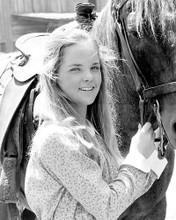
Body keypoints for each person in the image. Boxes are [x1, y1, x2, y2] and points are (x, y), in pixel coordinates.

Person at [24, 27, 167, 220]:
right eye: (76, 69)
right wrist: (137, 157)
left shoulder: (90, 133)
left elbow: (123, 193)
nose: (89, 76)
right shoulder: (57, 139)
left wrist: (153, 153)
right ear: (54, 76)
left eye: (94, 67)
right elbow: (107, 207)